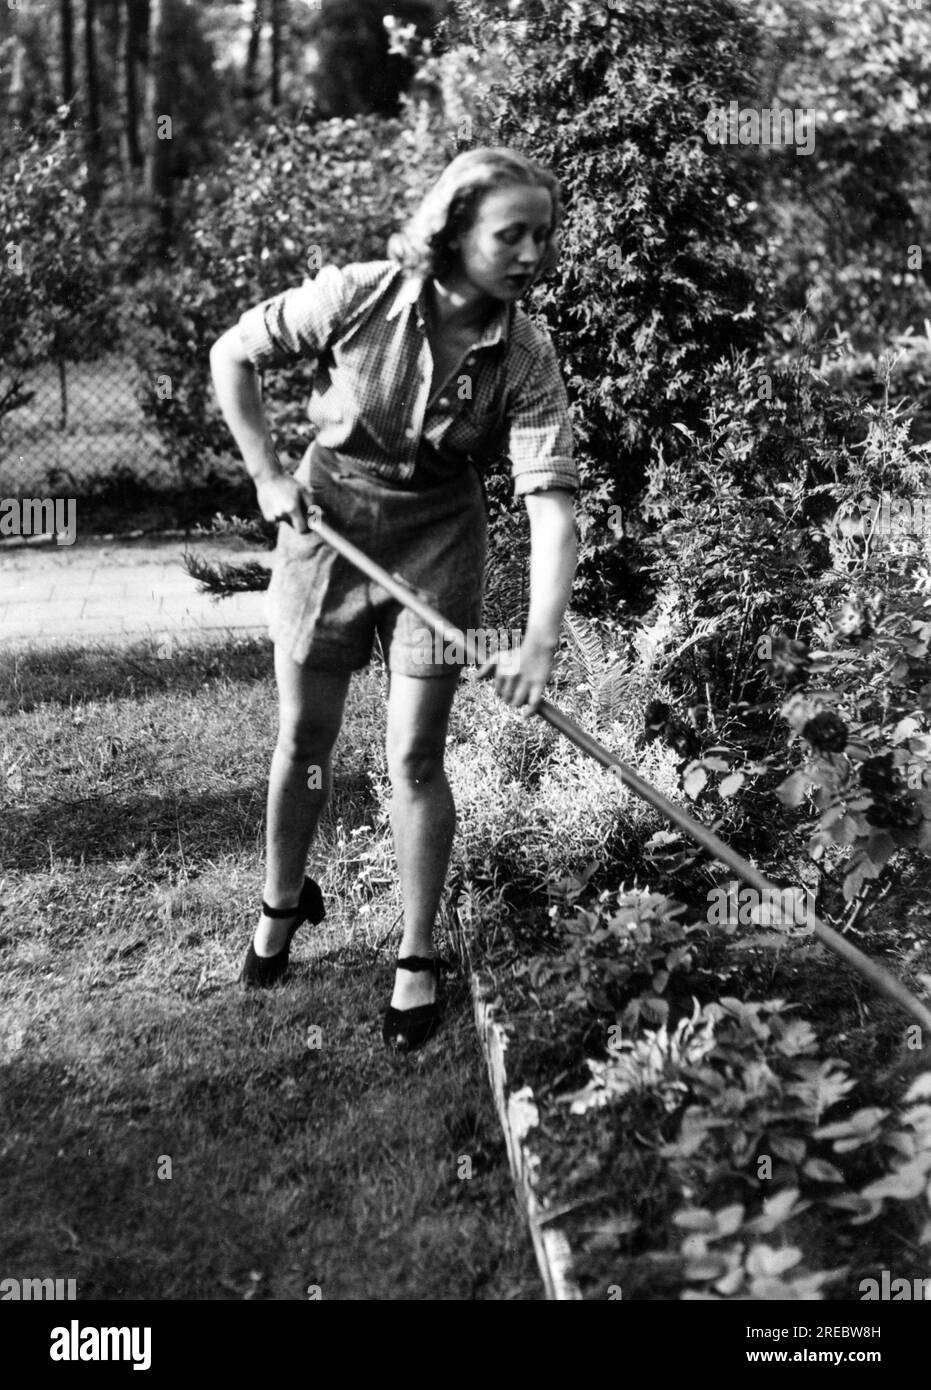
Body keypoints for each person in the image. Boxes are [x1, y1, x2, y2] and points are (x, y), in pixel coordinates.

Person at [209, 146, 578, 1052]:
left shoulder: (524, 355)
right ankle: (283, 901)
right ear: (454, 231)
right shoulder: (360, 294)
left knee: (414, 754)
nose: (530, 253)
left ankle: (416, 956)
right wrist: (264, 476)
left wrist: (537, 642)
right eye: (511, 234)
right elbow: (234, 353)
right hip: (325, 525)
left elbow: (552, 509)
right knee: (304, 737)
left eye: (543, 234)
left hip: (437, 543)